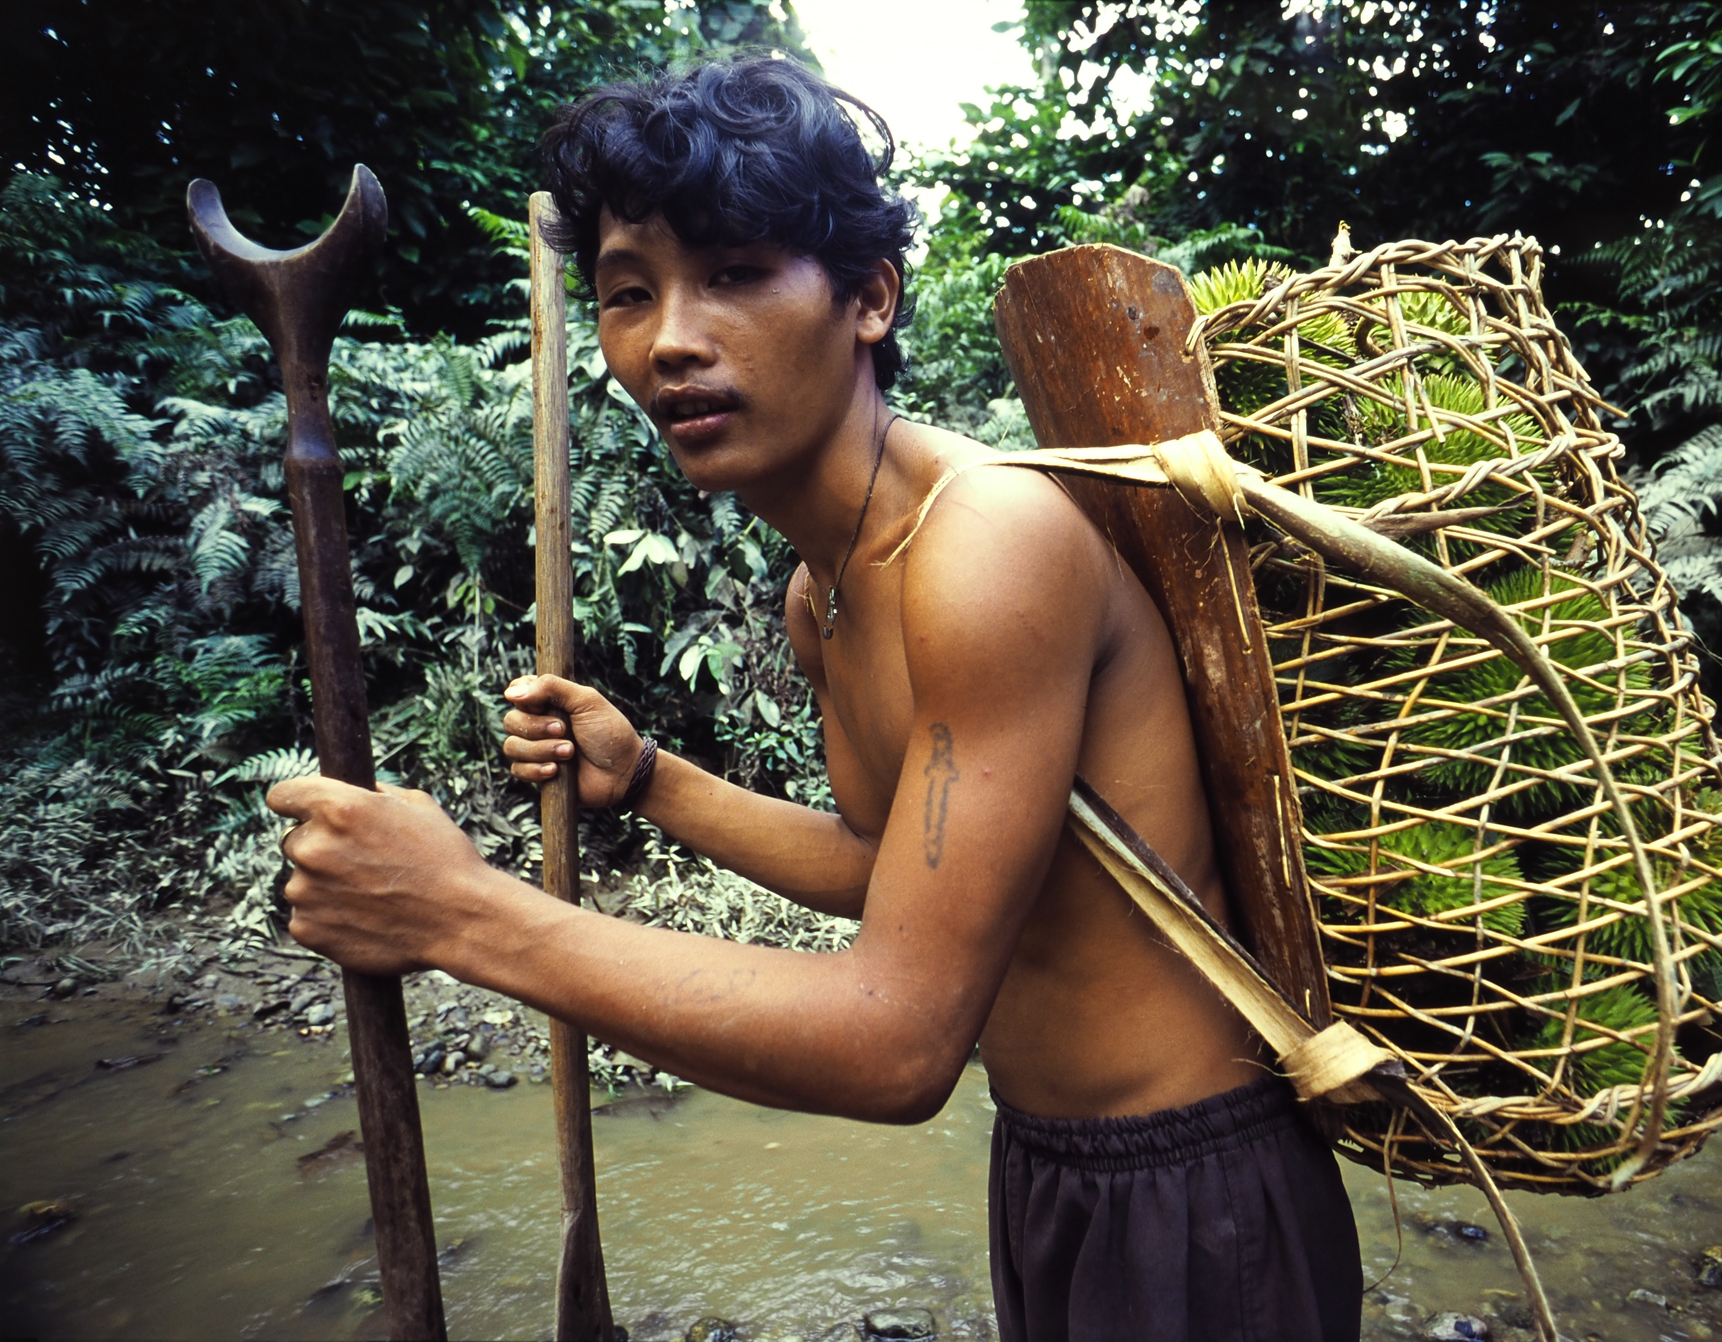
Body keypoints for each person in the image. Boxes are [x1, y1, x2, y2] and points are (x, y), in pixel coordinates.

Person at [267, 56, 1361, 1341]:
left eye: (731, 272)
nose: (669, 337)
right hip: (1053, 1169)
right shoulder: (823, 589)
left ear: (869, 300)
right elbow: (886, 867)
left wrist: (461, 915)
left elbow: (896, 1044)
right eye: (627, 293)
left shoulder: (985, 546)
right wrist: (652, 780)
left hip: (1192, 1188)